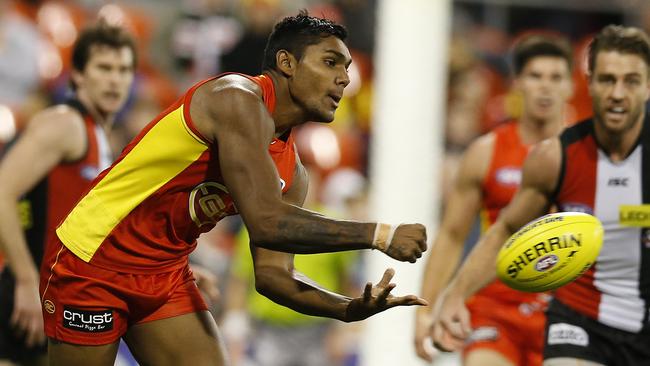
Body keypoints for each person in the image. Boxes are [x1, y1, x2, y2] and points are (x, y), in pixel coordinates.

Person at [40, 11, 427, 366]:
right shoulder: (234, 99)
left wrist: (345, 309)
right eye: (330, 63)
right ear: (286, 63)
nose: (343, 78)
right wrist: (379, 234)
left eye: (346, 68)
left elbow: (274, 275)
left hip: (164, 271)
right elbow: (266, 221)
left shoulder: (294, 173)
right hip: (94, 260)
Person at [432, 25, 650, 366]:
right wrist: (454, 295)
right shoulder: (555, 157)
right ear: (589, 83)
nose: (618, 93)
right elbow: (502, 230)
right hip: (571, 320)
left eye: (631, 81)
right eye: (607, 80)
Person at [414, 33, 574, 366]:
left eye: (555, 77)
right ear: (517, 83)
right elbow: (453, 235)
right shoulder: (486, 153)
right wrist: (424, 310)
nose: (545, 87)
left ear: (570, 86)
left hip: (563, 312)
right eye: (535, 76)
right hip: (493, 309)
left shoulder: (588, 157)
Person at [0, 21, 136, 366]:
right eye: (104, 68)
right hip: (25, 296)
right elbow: (2, 190)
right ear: (77, 75)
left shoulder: (102, 137)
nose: (114, 79)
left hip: (60, 301)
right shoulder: (65, 124)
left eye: (123, 70)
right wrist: (26, 281)